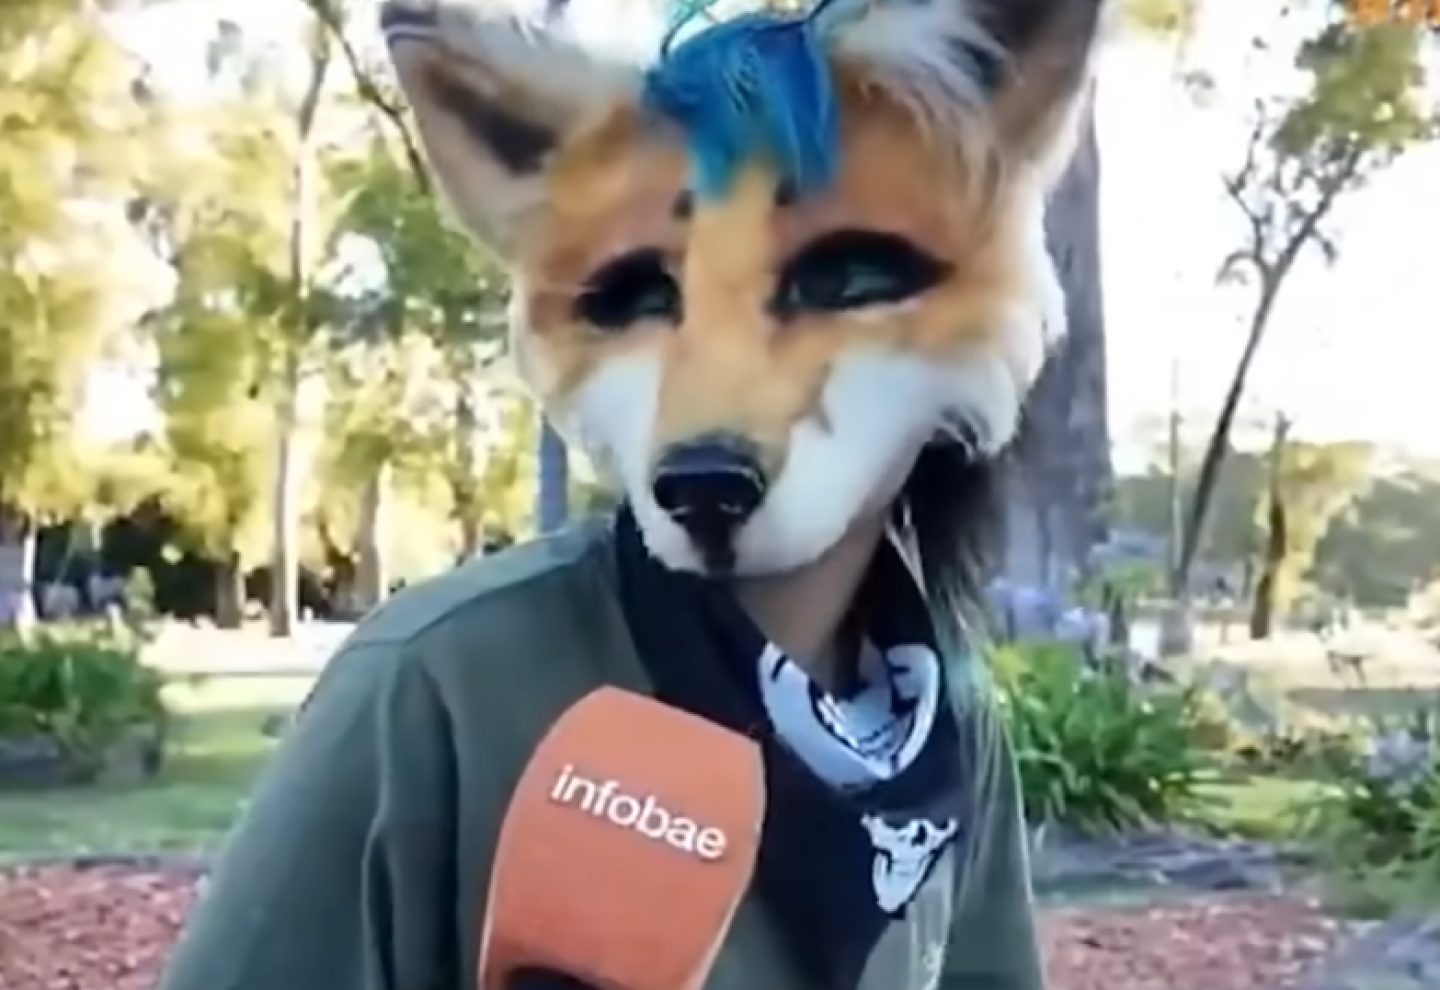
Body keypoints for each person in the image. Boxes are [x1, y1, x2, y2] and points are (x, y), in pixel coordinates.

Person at [156, 0, 1104, 987]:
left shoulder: (940, 722)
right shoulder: (439, 688)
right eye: (643, 295)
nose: (713, 403)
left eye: (837, 279)